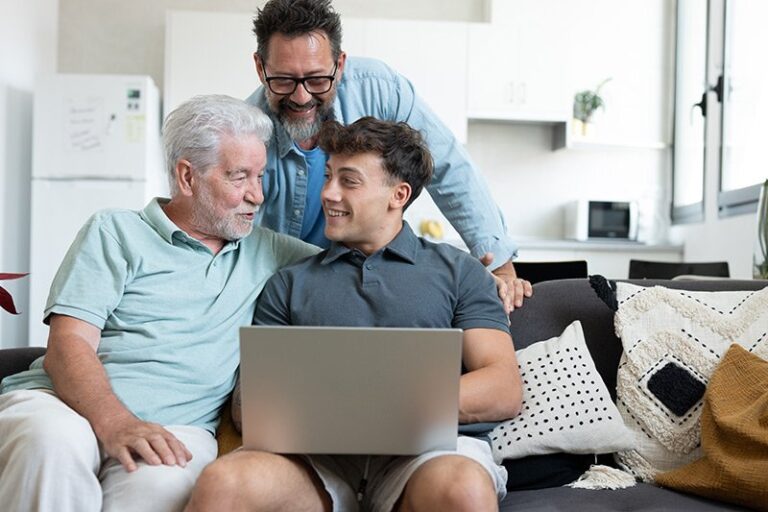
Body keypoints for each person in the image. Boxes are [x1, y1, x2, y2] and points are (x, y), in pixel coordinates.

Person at [185, 117, 523, 512]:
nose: (328, 193)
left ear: (398, 195)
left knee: (463, 488)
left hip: (426, 455)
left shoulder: (459, 272)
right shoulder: (288, 282)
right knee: (223, 482)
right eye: (328, 176)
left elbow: (502, 388)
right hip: (314, 459)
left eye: (349, 180)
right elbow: (250, 406)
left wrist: (378, 404)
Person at [0, 95, 319, 512]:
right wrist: (116, 422)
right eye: (239, 177)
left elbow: (355, 266)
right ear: (188, 177)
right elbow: (69, 345)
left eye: (260, 176)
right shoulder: (115, 231)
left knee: (158, 485)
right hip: (61, 404)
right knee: (50, 441)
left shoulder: (273, 254)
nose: (256, 196)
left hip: (177, 427)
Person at [246, 0, 533, 312]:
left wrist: (499, 264)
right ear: (261, 68)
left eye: (317, 80)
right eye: (284, 80)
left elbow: (449, 167)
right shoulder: (247, 133)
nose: (301, 97)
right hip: (293, 289)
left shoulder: (379, 88)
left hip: (369, 274)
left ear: (340, 65)